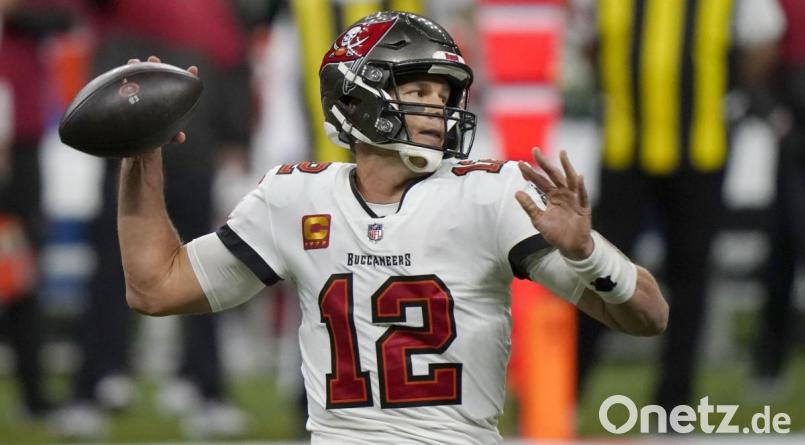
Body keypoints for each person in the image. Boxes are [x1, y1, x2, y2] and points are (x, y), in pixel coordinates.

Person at [118, 12, 667, 443]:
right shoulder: (294, 198)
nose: (438, 110)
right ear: (357, 97)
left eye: (445, 95)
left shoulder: (492, 194)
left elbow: (649, 316)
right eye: (419, 91)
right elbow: (156, 287)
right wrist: (141, 157)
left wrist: (588, 253)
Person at [576, 0, 784, 412]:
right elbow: (586, 40)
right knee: (598, 266)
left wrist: (726, 89)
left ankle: (674, 406)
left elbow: (765, 37)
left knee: (691, 273)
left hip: (701, 147)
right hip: (625, 145)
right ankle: (566, 389)